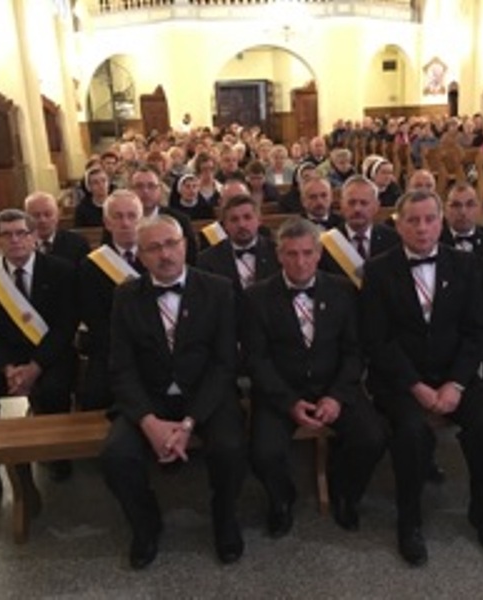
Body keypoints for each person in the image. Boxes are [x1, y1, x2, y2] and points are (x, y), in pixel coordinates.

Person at [361, 189, 483, 566]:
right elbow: (377, 340)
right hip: (401, 380)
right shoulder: (378, 270)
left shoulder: (466, 265)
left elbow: (477, 331)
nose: (422, 228)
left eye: (429, 219)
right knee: (411, 433)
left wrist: (455, 383)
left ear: (441, 223)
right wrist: (417, 386)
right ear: (399, 225)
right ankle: (409, 521)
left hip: (455, 375)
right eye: (413, 220)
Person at [101, 215, 246, 569]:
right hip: (149, 399)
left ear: (185, 246)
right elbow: (121, 368)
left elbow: (224, 364)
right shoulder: (125, 296)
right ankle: (145, 524)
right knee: (116, 455)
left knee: (230, 447)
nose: (165, 254)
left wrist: (190, 422)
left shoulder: (218, 289)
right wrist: (149, 422)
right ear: (140, 256)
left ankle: (225, 517)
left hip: (205, 397)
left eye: (171, 244)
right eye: (153, 248)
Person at [243, 217, 386, 537]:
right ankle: (282, 499)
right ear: (279, 255)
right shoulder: (256, 297)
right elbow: (256, 360)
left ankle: (345, 492)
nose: (300, 262)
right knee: (263, 453)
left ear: (319, 254)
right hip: (282, 390)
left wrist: (336, 396)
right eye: (291, 254)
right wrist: (289, 402)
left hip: (334, 385)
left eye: (307, 253)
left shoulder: (343, 290)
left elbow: (354, 351)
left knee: (372, 438)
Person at [0, 209, 78, 519]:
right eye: (7, 234)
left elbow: (65, 327)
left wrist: (36, 366)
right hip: (5, 358)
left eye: (21, 233)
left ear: (34, 236)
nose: (15, 240)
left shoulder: (61, 271)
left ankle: (57, 456)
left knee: (54, 390)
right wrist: (7, 369)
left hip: (49, 354)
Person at [78, 190, 145, 410]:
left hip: (156, 345)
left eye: (132, 215)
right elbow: (94, 318)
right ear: (107, 222)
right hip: (111, 347)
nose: (125, 223)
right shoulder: (91, 266)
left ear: (141, 219)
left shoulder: (157, 257)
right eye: (118, 216)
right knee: (94, 397)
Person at [318, 175, 399, 285]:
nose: (357, 209)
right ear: (341, 205)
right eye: (351, 203)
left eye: (364, 203)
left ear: (376, 206)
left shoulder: (393, 240)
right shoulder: (326, 244)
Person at [197, 194, 279, 295]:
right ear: (225, 225)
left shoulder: (277, 253)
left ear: (259, 220)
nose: (241, 225)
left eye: (247, 217)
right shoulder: (207, 260)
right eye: (234, 219)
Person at [129, 166, 198, 265]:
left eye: (151, 186)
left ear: (160, 190)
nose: (145, 191)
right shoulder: (121, 222)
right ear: (130, 190)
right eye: (139, 186)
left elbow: (191, 259)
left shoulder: (180, 220)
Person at [439, 183, 483, 256]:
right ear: (444, 209)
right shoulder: (435, 241)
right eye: (456, 205)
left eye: (470, 205)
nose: (463, 212)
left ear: (478, 208)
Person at [24, 191, 90, 266]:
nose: (42, 220)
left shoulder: (77, 243)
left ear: (57, 215)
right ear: (26, 218)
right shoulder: (20, 246)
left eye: (48, 214)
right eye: (36, 215)